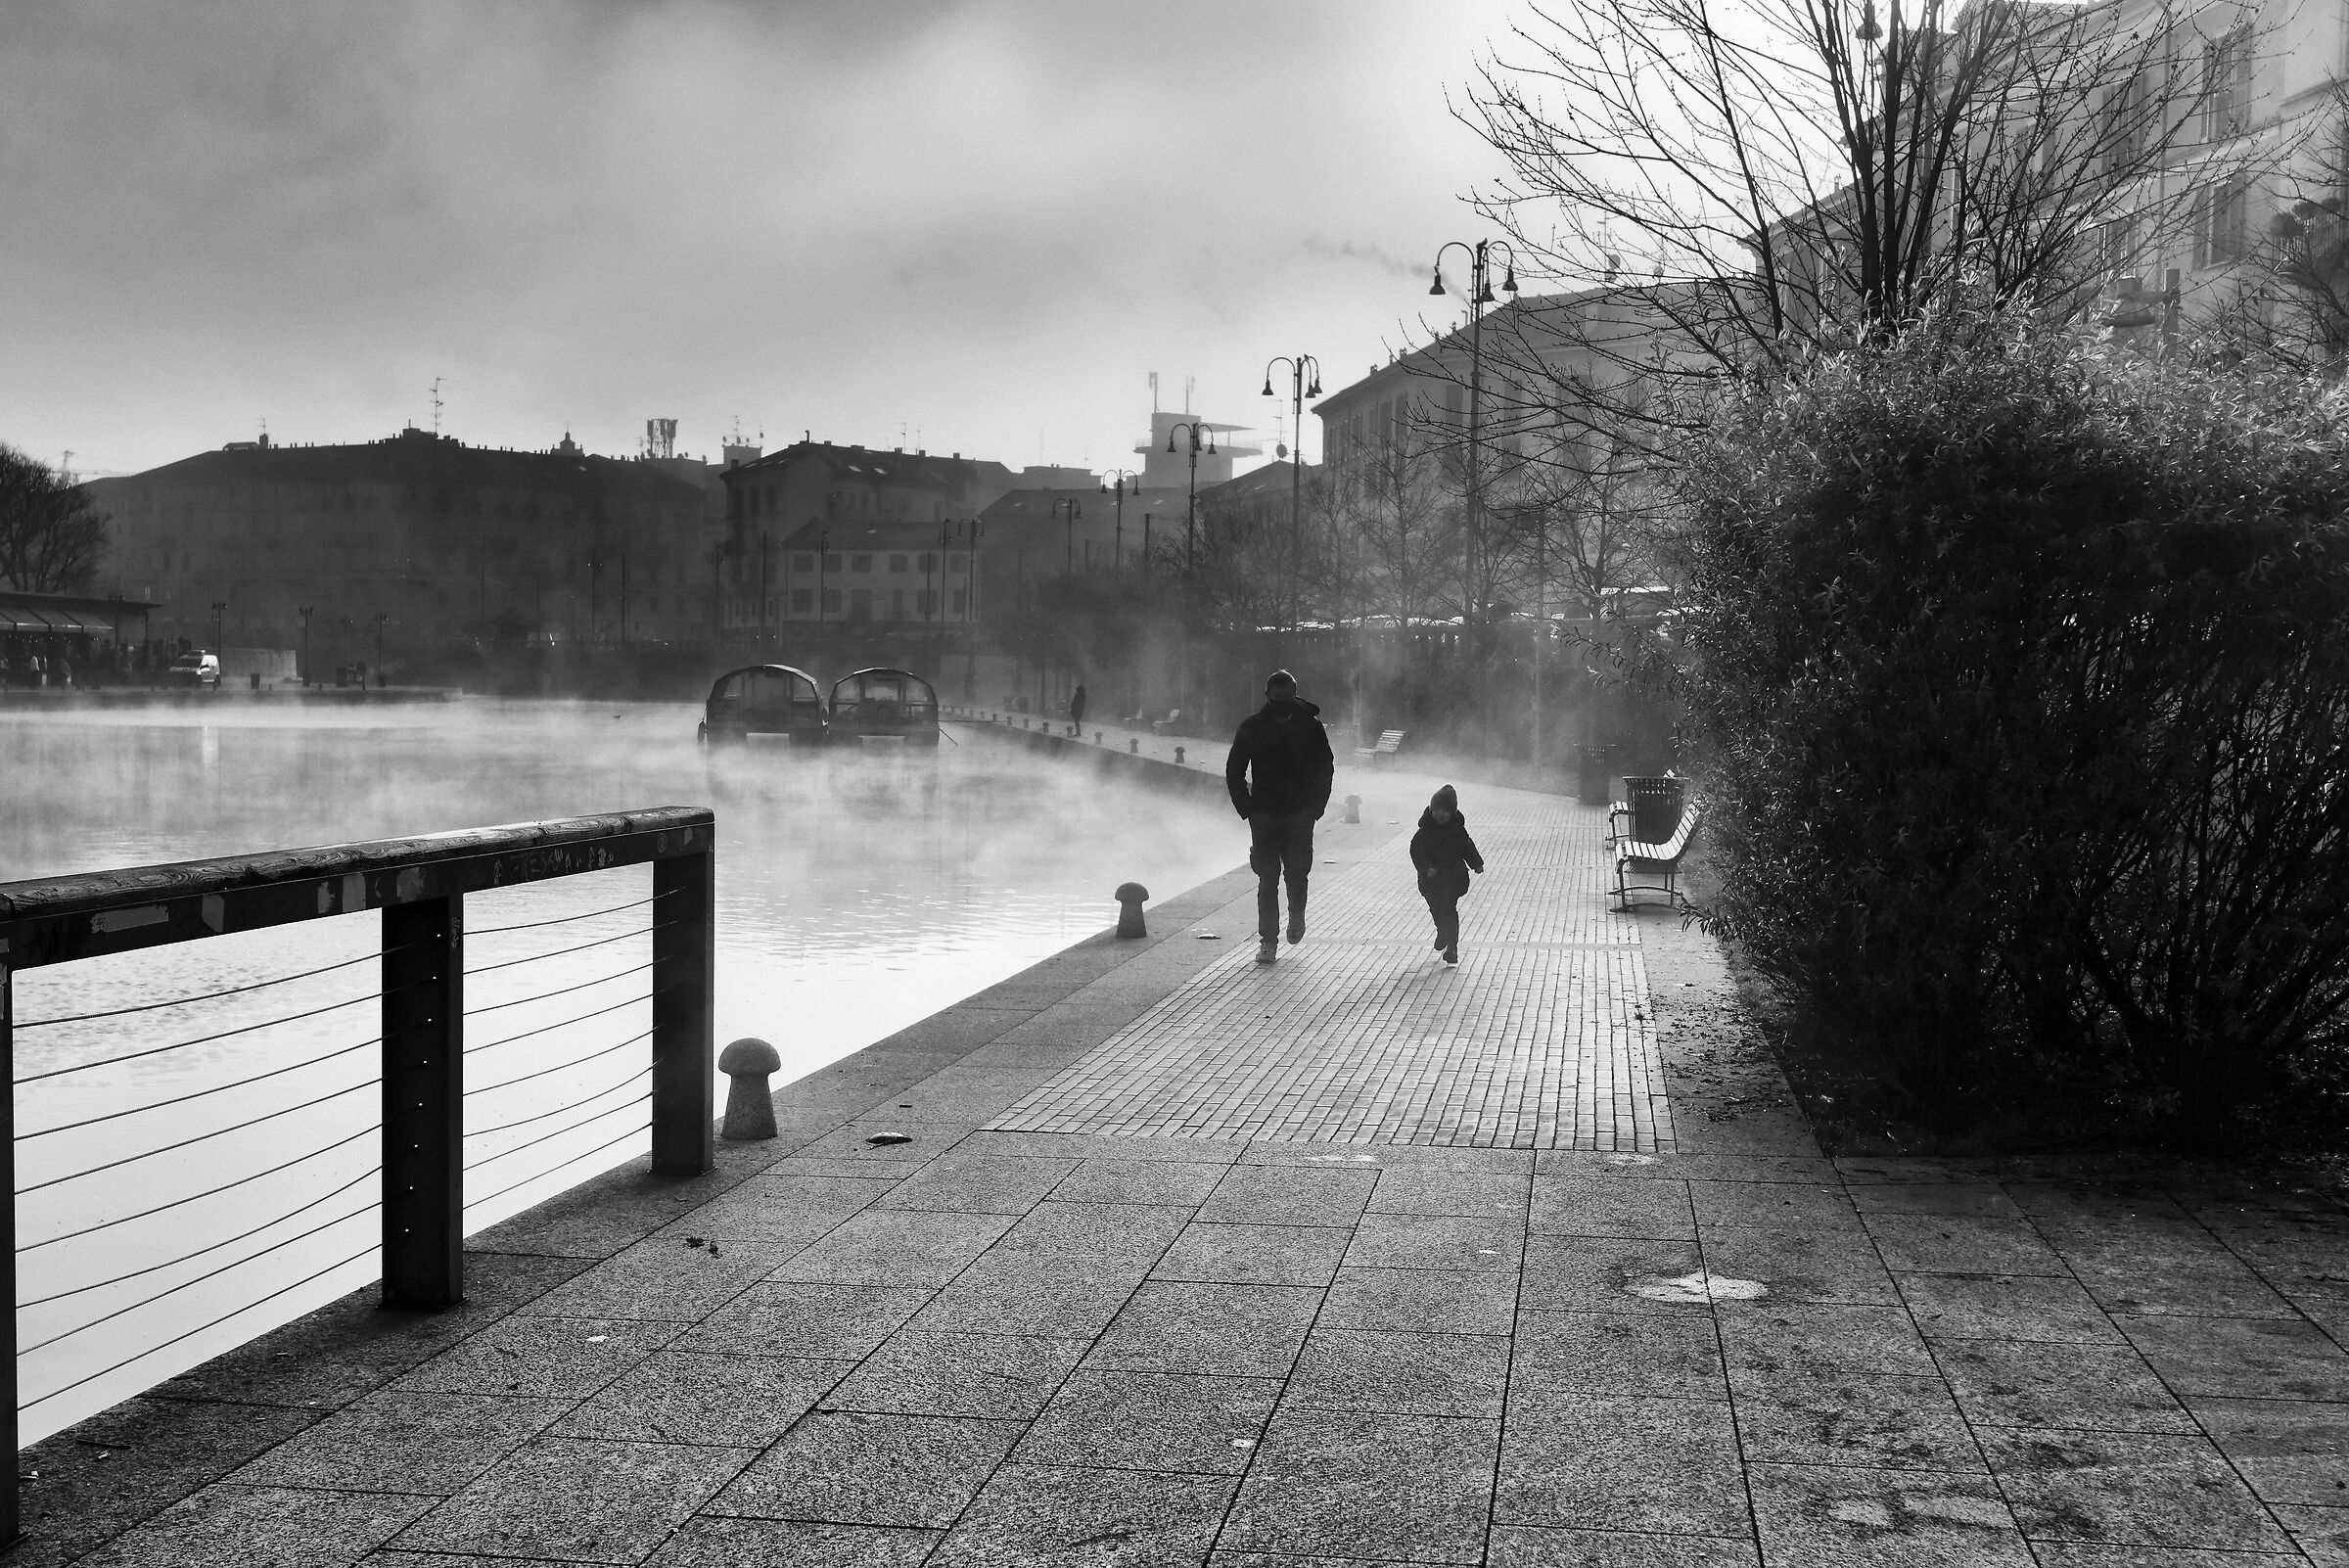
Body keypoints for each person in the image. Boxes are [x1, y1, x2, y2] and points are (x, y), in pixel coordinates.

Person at [1225, 669, 1335, 965]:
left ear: (1295, 695)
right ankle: (1268, 940)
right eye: (1276, 699)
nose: (1282, 704)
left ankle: (1296, 913)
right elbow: (1234, 769)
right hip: (1264, 813)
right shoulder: (1252, 728)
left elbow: (1325, 767)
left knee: (1297, 873)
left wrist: (1316, 807)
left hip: (1300, 813)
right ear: (1267, 697)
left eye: (1287, 698)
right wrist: (1246, 808)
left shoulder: (1311, 728)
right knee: (1267, 877)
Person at [1410, 784, 1486, 966]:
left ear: (1452, 812)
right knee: (1438, 908)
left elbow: (1467, 846)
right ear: (1430, 809)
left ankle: (1452, 947)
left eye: (1445, 810)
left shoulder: (1457, 830)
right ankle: (1442, 931)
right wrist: (1426, 867)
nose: (1440, 814)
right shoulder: (1424, 832)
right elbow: (1416, 852)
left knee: (1449, 909)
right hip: (1431, 881)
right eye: (1436, 809)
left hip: (1453, 878)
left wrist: (1476, 863)